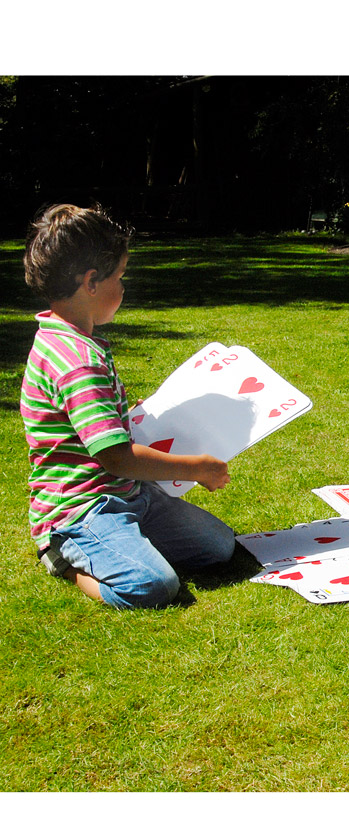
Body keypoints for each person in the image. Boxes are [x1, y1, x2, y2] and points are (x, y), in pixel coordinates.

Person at [20, 203, 235, 608]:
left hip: (129, 494)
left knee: (218, 547)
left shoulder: (72, 338)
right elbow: (116, 457)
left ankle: (126, 543)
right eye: (120, 276)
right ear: (91, 283)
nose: (124, 286)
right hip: (83, 508)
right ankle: (62, 557)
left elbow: (95, 424)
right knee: (152, 586)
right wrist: (199, 468)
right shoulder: (75, 359)